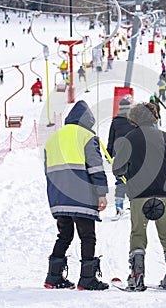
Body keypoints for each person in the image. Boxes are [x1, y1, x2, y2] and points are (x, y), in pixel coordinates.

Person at [112, 102, 166, 291]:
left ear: (134, 119)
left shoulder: (129, 139)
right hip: (165, 192)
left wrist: (126, 174)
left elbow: (117, 168)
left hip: (139, 193)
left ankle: (137, 277)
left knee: (138, 234)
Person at [44, 100, 109, 291]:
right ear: (87, 120)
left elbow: (47, 171)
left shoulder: (53, 139)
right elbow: (95, 166)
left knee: (64, 235)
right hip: (81, 196)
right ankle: (87, 278)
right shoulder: (87, 136)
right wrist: (101, 193)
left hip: (59, 196)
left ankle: (53, 277)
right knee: (87, 236)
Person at [106, 98, 135, 216]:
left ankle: (119, 206)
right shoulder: (134, 121)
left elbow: (111, 140)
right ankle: (134, 205)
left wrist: (109, 154)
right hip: (133, 155)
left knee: (120, 180)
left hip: (120, 156)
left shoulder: (115, 122)